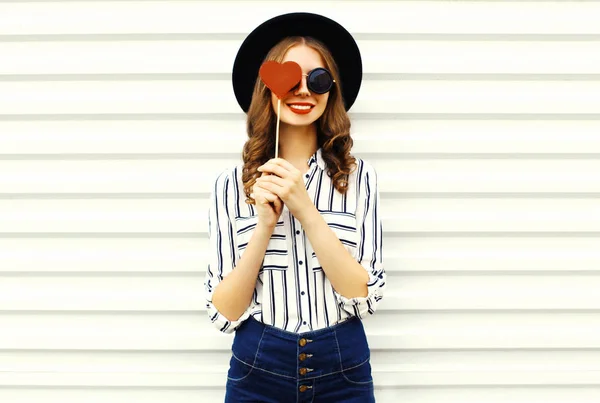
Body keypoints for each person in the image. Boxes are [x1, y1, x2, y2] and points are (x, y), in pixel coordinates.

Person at [204, 12, 386, 403]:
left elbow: (364, 295)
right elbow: (224, 312)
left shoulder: (358, 179)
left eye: (317, 79)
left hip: (343, 367)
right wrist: (264, 226)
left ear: (331, 90)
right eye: (289, 77)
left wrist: (305, 208)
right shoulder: (231, 185)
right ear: (267, 88)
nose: (303, 90)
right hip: (258, 366)